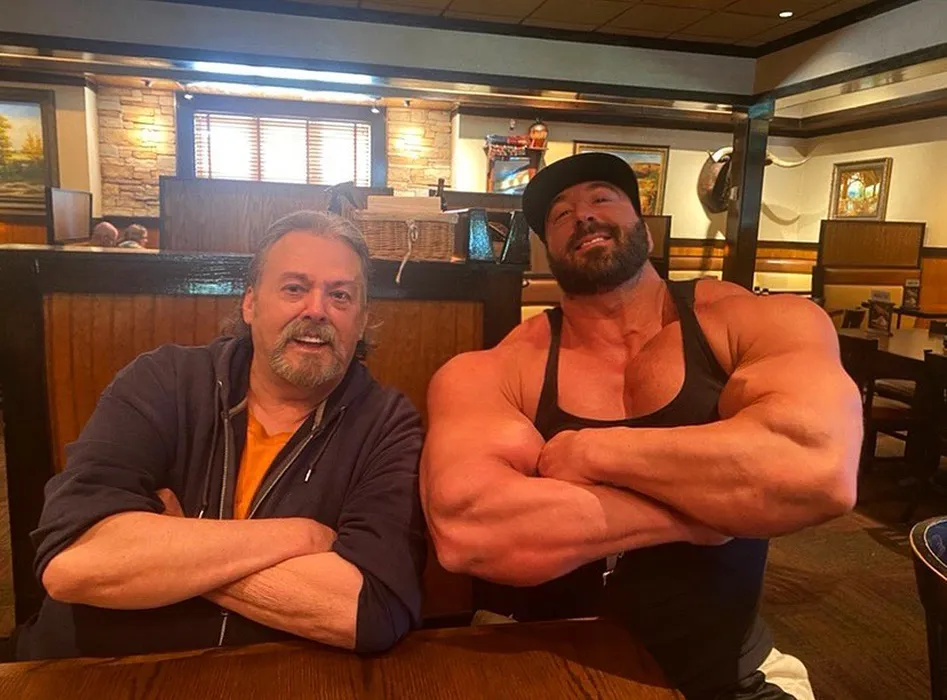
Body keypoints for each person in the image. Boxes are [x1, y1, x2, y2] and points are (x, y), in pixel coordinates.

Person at [421, 152, 861, 700]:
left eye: (602, 198)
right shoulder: (496, 368)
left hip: (726, 678)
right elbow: (469, 529)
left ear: (645, 230)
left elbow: (818, 468)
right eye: (560, 214)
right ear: (547, 253)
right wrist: (707, 515)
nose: (583, 215)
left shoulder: (752, 321)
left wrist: (590, 453)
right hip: (551, 672)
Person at [13, 210, 426, 660]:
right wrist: (303, 537)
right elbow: (74, 560)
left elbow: (369, 611)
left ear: (362, 321)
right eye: (294, 288)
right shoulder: (163, 380)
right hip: (95, 667)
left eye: (340, 295)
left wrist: (173, 546)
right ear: (250, 304)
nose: (316, 310)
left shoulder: (387, 424)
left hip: (274, 677)